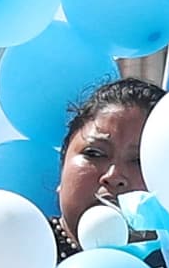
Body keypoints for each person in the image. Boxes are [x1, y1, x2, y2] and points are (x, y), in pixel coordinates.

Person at [54, 74, 159, 245]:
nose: (114, 176)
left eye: (139, 161)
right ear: (62, 165)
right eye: (94, 153)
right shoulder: (7, 250)